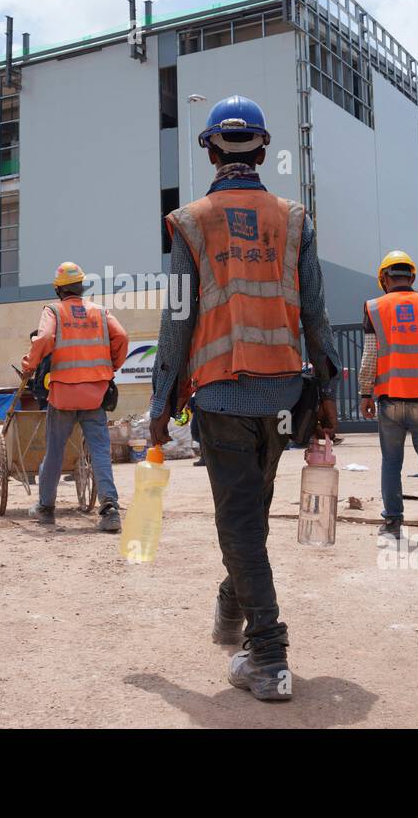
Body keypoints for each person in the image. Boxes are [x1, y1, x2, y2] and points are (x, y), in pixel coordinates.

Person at [149, 95, 340, 702]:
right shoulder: (294, 218)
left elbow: (177, 320)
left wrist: (160, 403)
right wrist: (327, 392)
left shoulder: (191, 221)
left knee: (239, 521)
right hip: (285, 394)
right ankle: (232, 614)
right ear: (261, 149)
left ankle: (268, 652)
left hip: (223, 396)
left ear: (209, 149)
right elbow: (315, 311)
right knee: (249, 517)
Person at [21, 262, 129, 532]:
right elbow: (122, 337)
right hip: (95, 394)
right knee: (100, 451)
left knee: (55, 452)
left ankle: (46, 508)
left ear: (59, 290)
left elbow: (44, 337)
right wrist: (110, 367)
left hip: (64, 394)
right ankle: (110, 509)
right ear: (81, 287)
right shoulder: (100, 312)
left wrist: (29, 365)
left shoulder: (54, 311)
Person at [358, 250, 418, 540]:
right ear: (412, 276)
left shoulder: (374, 307)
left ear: (384, 279)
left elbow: (369, 357)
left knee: (391, 462)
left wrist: (365, 394)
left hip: (390, 401)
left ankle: (392, 522)